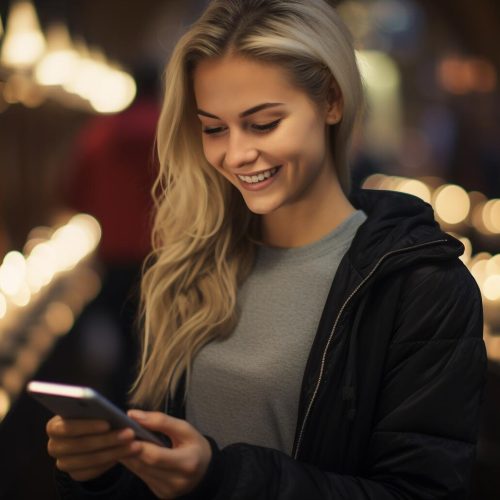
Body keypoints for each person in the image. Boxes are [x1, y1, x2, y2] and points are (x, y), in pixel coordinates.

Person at [46, 0, 486, 498]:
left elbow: (421, 491)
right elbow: (167, 466)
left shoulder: (422, 288)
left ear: (332, 102)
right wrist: (106, 469)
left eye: (263, 123)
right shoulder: (194, 266)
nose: (235, 154)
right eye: (214, 128)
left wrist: (221, 478)